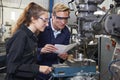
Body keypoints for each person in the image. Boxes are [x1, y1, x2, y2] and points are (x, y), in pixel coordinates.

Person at [5, 2, 52, 80]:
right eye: (44, 20)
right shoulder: (21, 36)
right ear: (33, 19)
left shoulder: (32, 37)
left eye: (47, 21)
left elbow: (27, 60)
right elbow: (12, 67)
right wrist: (38, 68)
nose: (47, 24)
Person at [36, 3, 71, 80]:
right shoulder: (42, 27)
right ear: (53, 16)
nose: (63, 22)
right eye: (60, 18)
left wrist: (64, 57)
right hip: (38, 70)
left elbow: (64, 54)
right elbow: (27, 51)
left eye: (66, 18)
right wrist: (41, 50)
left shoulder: (66, 32)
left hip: (54, 70)